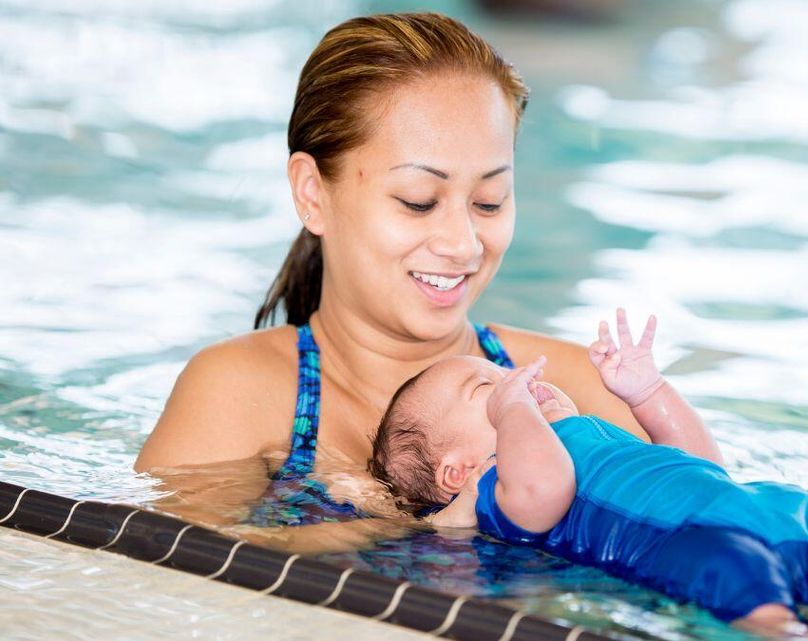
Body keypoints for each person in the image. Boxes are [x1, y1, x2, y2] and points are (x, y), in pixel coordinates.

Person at [134, 13, 647, 533]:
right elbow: (155, 587)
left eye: (489, 202)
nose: (463, 244)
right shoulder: (242, 395)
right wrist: (393, 525)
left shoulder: (582, 390)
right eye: (419, 201)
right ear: (313, 193)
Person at [370, 310, 808, 640]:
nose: (516, 386)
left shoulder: (588, 432)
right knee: (738, 580)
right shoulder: (497, 485)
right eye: (487, 387)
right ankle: (779, 629)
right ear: (458, 467)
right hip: (699, 542)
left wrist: (649, 394)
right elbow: (545, 497)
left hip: (778, 513)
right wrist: (515, 415)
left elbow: (701, 464)